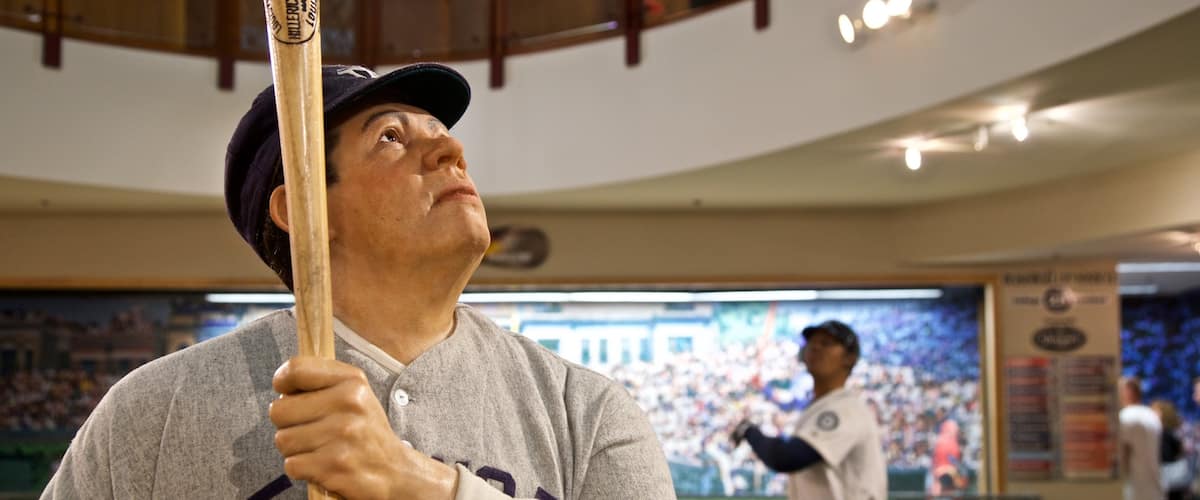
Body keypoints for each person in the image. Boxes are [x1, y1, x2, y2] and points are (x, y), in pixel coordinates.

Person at [41, 64, 675, 499]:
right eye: (393, 138)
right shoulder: (152, 414)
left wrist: (416, 483)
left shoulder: (586, 411)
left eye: (444, 135)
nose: (450, 153)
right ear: (305, 211)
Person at [729, 320, 888, 500]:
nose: (816, 348)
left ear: (849, 358)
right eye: (812, 343)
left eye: (827, 344)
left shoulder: (845, 408)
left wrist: (749, 431)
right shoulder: (821, 406)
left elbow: (787, 457)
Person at [1119, 376, 1162, 500]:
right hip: (1155, 488)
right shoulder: (1152, 415)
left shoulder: (1125, 417)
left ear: (1128, 392)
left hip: (1135, 492)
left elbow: (1123, 458)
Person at [1152, 399, 1191, 500]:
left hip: (1168, 477)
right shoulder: (1176, 430)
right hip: (1178, 478)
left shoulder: (1164, 433)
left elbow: (1166, 456)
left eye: (1155, 412)